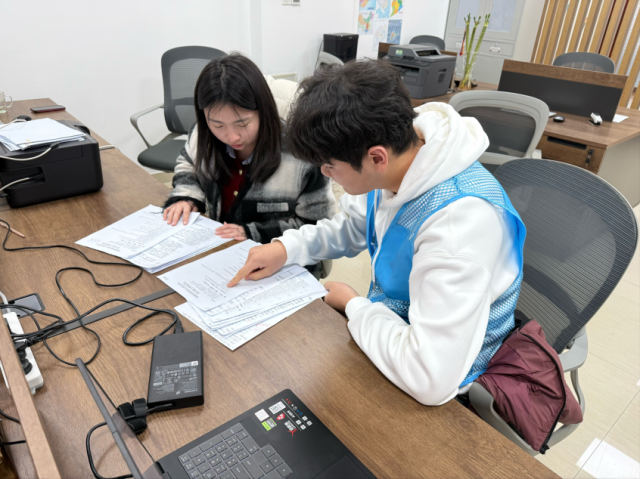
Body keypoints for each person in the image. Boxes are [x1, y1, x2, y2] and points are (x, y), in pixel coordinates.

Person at [228, 60, 526, 406]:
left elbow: (430, 378)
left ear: (377, 158)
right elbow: (356, 226)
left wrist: (353, 305)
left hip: (453, 385)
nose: (325, 174)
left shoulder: (458, 225)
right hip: (392, 330)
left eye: (330, 166)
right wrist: (287, 248)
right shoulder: (399, 156)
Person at [162, 53, 336, 254]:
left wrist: (253, 233)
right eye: (218, 125)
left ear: (263, 110)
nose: (232, 136)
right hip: (222, 252)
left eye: (242, 123)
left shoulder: (301, 154)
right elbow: (188, 163)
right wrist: (186, 196)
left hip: (280, 260)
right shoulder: (203, 135)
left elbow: (318, 226)